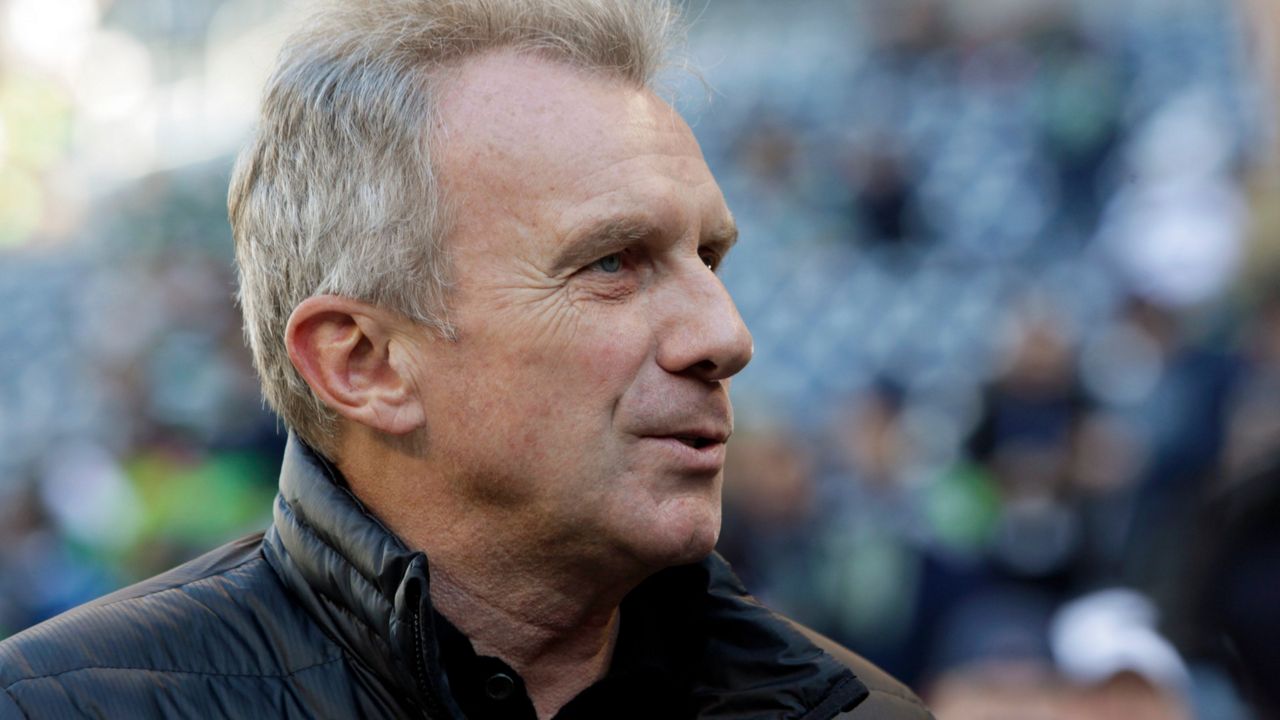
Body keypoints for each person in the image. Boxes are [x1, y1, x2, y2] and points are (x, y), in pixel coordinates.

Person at [0, 1, 932, 718]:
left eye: (710, 257)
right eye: (612, 261)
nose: (726, 335)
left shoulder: (855, 709)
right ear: (363, 363)